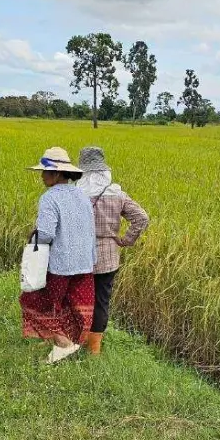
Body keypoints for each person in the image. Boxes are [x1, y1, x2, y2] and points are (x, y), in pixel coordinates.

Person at [19, 147, 96, 364]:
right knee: (73, 304)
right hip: (85, 262)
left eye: (45, 172)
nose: (42, 176)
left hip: (60, 264)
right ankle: (65, 339)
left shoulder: (49, 198)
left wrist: (33, 236)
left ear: (57, 173)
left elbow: (45, 234)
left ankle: (63, 343)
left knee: (35, 301)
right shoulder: (82, 194)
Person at [77, 146, 150, 355]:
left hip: (79, 255)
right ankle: (94, 349)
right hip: (108, 257)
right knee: (101, 300)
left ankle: (77, 339)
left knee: (79, 297)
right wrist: (126, 240)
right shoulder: (117, 194)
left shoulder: (76, 194)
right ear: (103, 170)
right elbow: (141, 218)